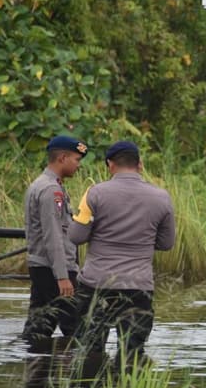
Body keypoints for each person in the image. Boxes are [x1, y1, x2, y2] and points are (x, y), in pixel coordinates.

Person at [68, 141, 175, 362]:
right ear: (140, 164)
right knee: (132, 355)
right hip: (138, 286)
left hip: (96, 284)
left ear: (110, 165)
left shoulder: (94, 194)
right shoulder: (162, 197)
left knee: (90, 350)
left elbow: (76, 237)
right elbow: (166, 243)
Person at [22, 135, 88, 343]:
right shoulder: (51, 190)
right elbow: (53, 236)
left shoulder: (41, 185)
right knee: (78, 331)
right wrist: (62, 276)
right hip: (54, 270)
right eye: (76, 160)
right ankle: (85, 374)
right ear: (62, 158)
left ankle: (36, 371)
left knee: (39, 327)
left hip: (43, 266)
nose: (78, 166)